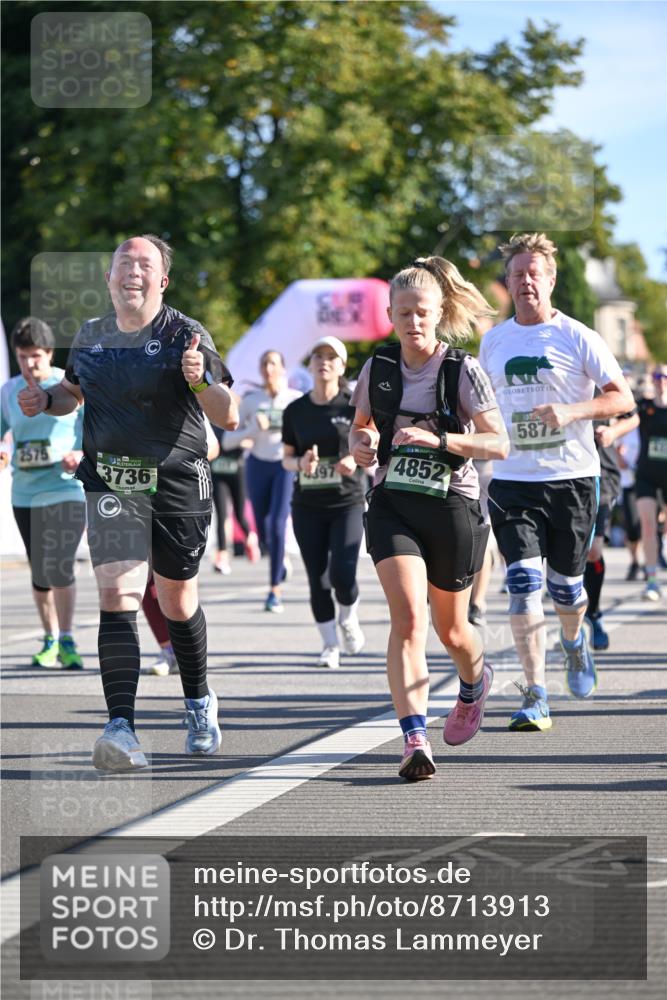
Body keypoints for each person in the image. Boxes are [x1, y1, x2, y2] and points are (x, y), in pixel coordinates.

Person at [18, 234, 238, 770]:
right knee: (117, 592)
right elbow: (74, 391)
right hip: (112, 482)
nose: (132, 272)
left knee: (175, 601)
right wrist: (46, 400)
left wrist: (201, 380)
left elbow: (229, 414)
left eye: (145, 265)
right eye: (123, 263)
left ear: (163, 281)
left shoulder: (187, 334)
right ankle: (121, 727)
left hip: (178, 484)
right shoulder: (91, 337)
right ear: (109, 277)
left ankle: (198, 700)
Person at [350, 256, 508, 781]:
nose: (413, 322)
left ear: (438, 313)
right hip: (394, 502)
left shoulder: (462, 370)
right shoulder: (378, 368)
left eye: (422, 312)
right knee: (409, 619)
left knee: (454, 631)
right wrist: (363, 446)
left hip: (452, 506)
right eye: (404, 313)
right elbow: (359, 428)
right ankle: (414, 737)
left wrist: (440, 439)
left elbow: (497, 443)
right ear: (390, 316)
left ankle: (473, 683)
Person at [478, 232, 635, 732]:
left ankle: (574, 640)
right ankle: (535, 694)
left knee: (567, 590)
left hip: (571, 480)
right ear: (508, 282)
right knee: (522, 585)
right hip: (512, 479)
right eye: (517, 274)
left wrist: (572, 410)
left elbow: (621, 398)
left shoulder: (577, 336)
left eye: (534, 274)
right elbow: (480, 406)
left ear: (550, 280)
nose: (525, 281)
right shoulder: (495, 340)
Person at [1, 317, 86, 669]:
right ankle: (49, 638)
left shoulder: (67, 388)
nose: (29, 364)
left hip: (66, 489)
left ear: (49, 353)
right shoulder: (8, 391)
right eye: (22, 357)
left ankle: (66, 638)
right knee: (40, 569)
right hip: (25, 492)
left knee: (60, 564)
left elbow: (90, 428)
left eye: (35, 356)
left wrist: (80, 454)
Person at [282, 335, 366, 670]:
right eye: (317, 356)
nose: (323, 362)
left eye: (331, 357)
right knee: (317, 578)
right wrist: (301, 463)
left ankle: (348, 617)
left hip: (347, 501)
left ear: (342, 366)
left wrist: (355, 460)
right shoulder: (296, 410)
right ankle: (329, 644)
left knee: (343, 575)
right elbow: (286, 458)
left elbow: (371, 447)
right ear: (310, 364)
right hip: (307, 504)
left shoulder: (354, 406)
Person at [223, 350, 301, 612]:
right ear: (260, 368)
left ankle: (274, 591)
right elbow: (228, 440)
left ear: (282, 368)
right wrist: (252, 430)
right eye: (265, 363)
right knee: (265, 532)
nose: (269, 368)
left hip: (284, 466)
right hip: (257, 465)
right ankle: (280, 558)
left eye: (274, 363)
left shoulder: (294, 400)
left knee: (276, 523)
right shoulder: (251, 400)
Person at [583, 408, 639, 649]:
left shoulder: (599, 372)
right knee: (565, 554)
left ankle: (593, 613)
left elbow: (632, 416)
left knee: (593, 550)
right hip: (557, 472)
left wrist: (613, 430)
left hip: (601, 473)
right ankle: (571, 619)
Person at [210, 410, 260, 576]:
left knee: (239, 515)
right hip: (218, 474)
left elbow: (250, 442)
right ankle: (222, 556)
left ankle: (250, 538)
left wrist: (239, 441)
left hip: (236, 471)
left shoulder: (238, 422)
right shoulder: (211, 422)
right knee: (222, 515)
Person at [636, 363, 667, 601]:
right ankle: (652, 580)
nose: (661, 381)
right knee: (647, 525)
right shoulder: (644, 406)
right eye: (657, 376)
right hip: (647, 474)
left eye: (665, 376)